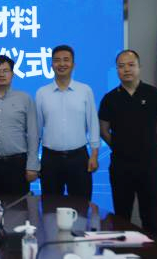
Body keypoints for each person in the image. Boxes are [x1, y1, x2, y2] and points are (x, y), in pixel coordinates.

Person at [99, 49, 157, 235]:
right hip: (121, 166)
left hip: (149, 165)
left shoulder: (154, 94)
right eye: (121, 66)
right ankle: (123, 250)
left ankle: (152, 250)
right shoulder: (110, 99)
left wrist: (152, 147)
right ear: (117, 70)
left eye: (131, 65)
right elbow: (103, 130)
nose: (126, 69)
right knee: (122, 216)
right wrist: (119, 147)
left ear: (139, 67)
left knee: (151, 217)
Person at [36, 45, 99, 200]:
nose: (62, 64)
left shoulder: (85, 90)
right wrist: (34, 159)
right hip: (50, 159)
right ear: (52, 65)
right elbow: (36, 129)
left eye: (66, 60)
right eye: (57, 60)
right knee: (50, 205)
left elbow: (93, 124)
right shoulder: (42, 93)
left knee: (81, 205)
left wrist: (94, 155)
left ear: (73, 64)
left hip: (79, 158)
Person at [0, 55, 39, 195]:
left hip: (18, 164)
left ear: (12, 74)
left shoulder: (25, 99)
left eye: (5, 71)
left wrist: (32, 165)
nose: (1, 74)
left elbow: (33, 134)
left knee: (19, 206)